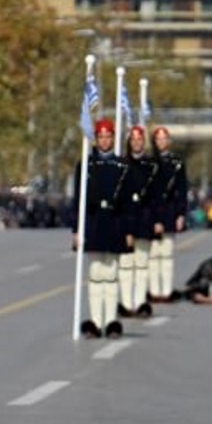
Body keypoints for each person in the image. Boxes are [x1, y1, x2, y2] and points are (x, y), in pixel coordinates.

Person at [73, 119, 129, 339]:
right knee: (96, 273)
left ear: (113, 138)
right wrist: (76, 229)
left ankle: (110, 321)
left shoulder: (122, 166)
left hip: (115, 224)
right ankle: (95, 322)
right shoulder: (86, 165)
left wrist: (128, 230)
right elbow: (78, 200)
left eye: (108, 137)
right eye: (101, 137)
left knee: (111, 273)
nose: (104, 141)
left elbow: (127, 203)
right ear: (95, 139)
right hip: (94, 223)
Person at [118, 126, 158, 318]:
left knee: (142, 264)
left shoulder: (152, 166)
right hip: (126, 221)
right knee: (126, 265)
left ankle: (140, 301)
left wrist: (157, 220)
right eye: (133, 139)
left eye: (139, 139)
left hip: (144, 220)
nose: (136, 143)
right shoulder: (122, 165)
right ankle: (126, 303)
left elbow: (156, 197)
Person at [148, 126, 187, 303]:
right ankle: (154, 290)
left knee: (167, 253)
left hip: (170, 211)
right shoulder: (149, 162)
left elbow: (182, 189)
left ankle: (166, 290)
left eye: (164, 138)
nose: (161, 142)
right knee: (154, 254)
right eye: (158, 139)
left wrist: (181, 214)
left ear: (169, 141)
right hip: (152, 212)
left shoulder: (177, 162)